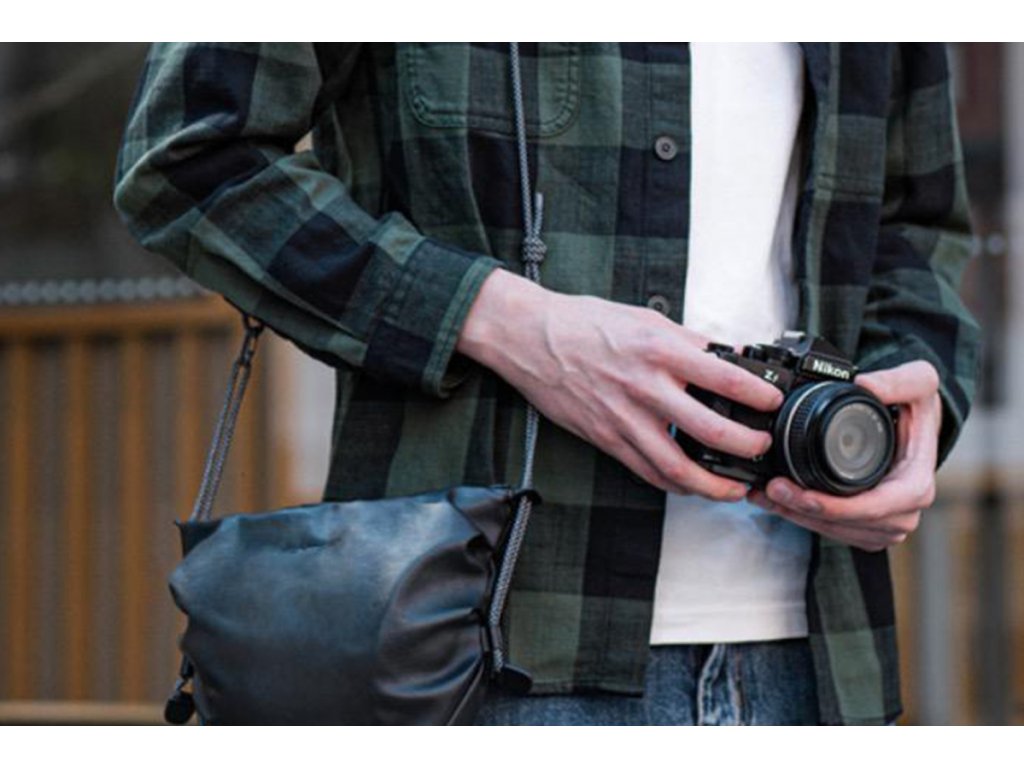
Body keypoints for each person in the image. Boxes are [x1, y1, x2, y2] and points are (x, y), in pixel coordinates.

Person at [114, 43, 980, 725]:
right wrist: (507, 322)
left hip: (820, 666)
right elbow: (192, 156)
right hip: (483, 654)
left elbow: (916, 226)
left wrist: (904, 421)